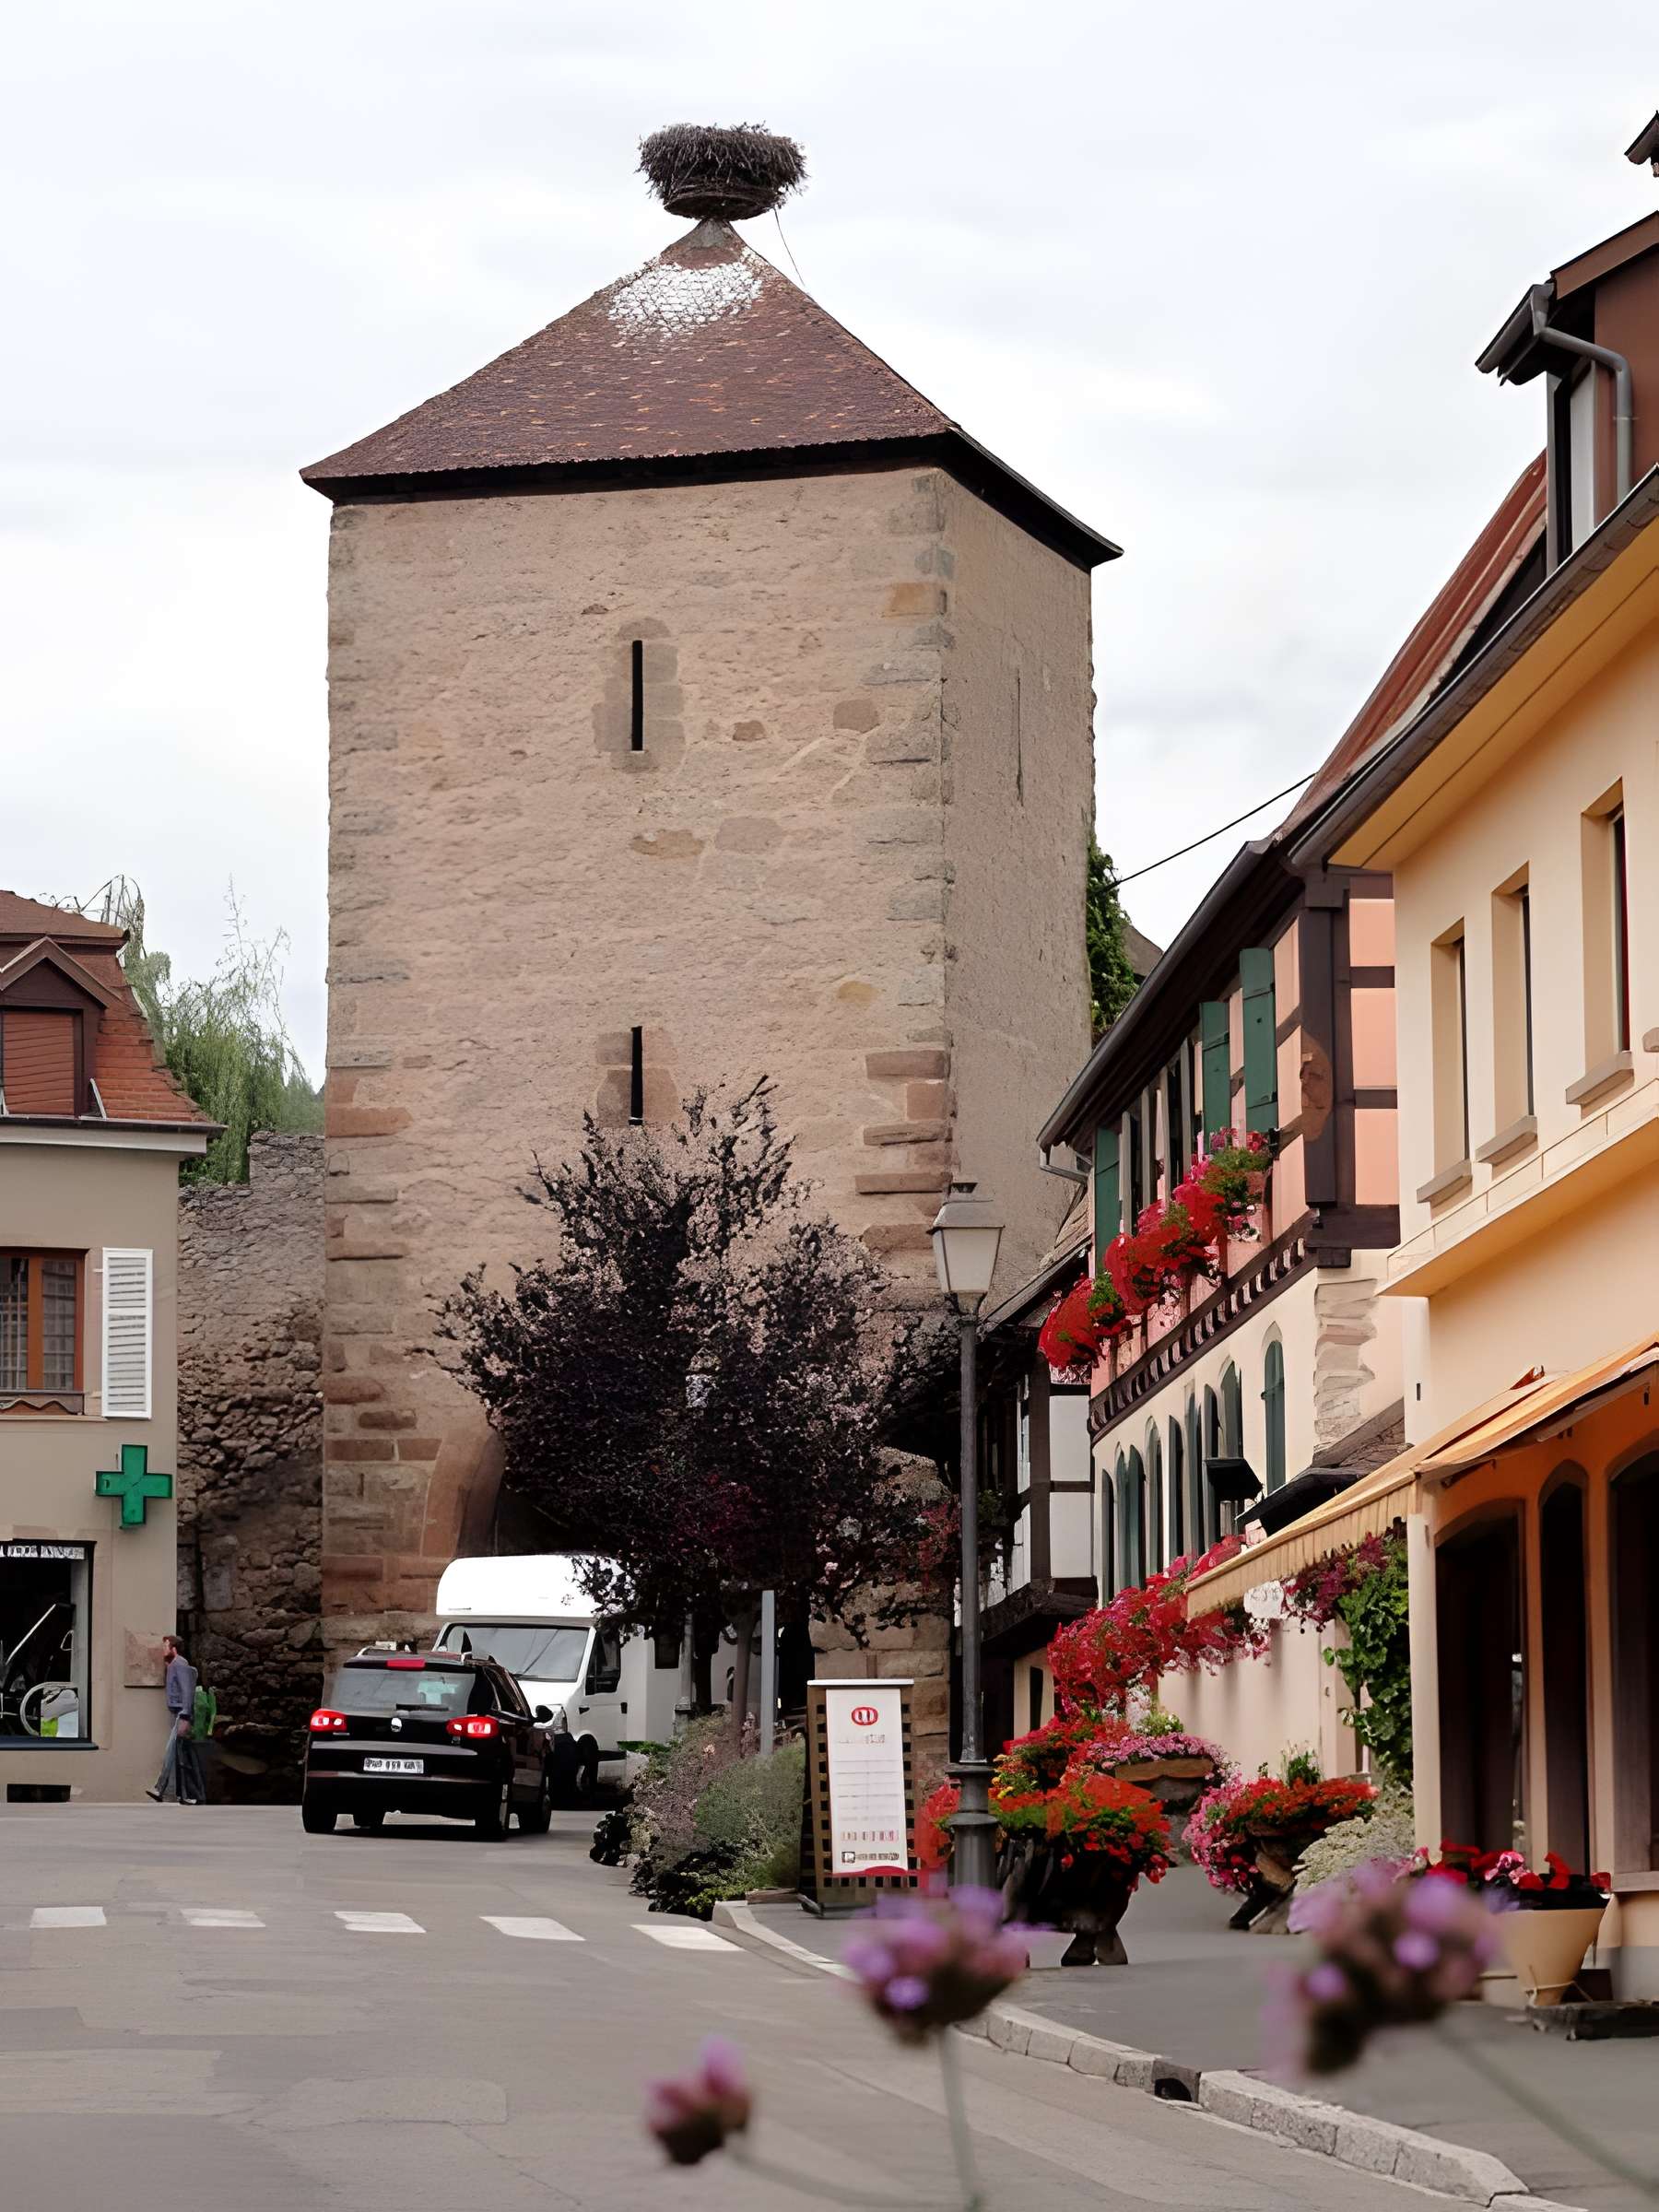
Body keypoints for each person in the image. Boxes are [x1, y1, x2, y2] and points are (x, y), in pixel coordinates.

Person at [146, 1633, 205, 1804]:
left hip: (181, 1714)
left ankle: (160, 1788)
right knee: (180, 1756)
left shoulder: (180, 1664)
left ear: (174, 1648)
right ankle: (187, 1796)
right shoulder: (174, 1665)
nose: (163, 1650)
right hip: (177, 1713)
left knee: (171, 1751)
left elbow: (187, 1691)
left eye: (165, 1646)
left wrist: (185, 1716)